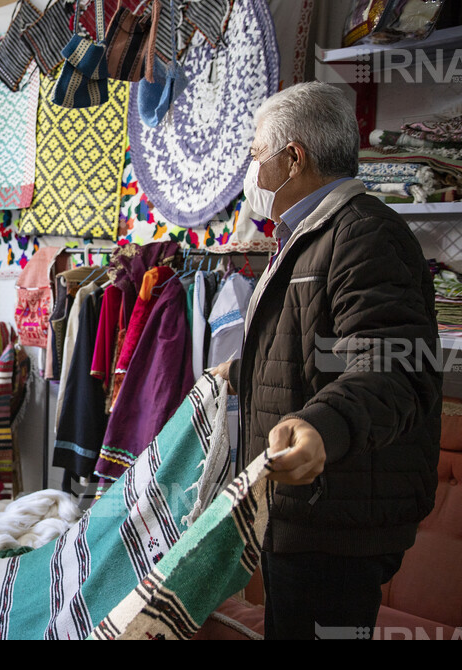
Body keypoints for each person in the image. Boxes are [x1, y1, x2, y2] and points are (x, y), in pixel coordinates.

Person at [213, 82, 442, 640]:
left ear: (294, 158)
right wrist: (238, 376)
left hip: (337, 519)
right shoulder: (310, 237)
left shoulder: (365, 235)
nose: (252, 173)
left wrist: (323, 426)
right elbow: (322, 353)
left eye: (255, 156)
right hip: (308, 512)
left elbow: (393, 366)